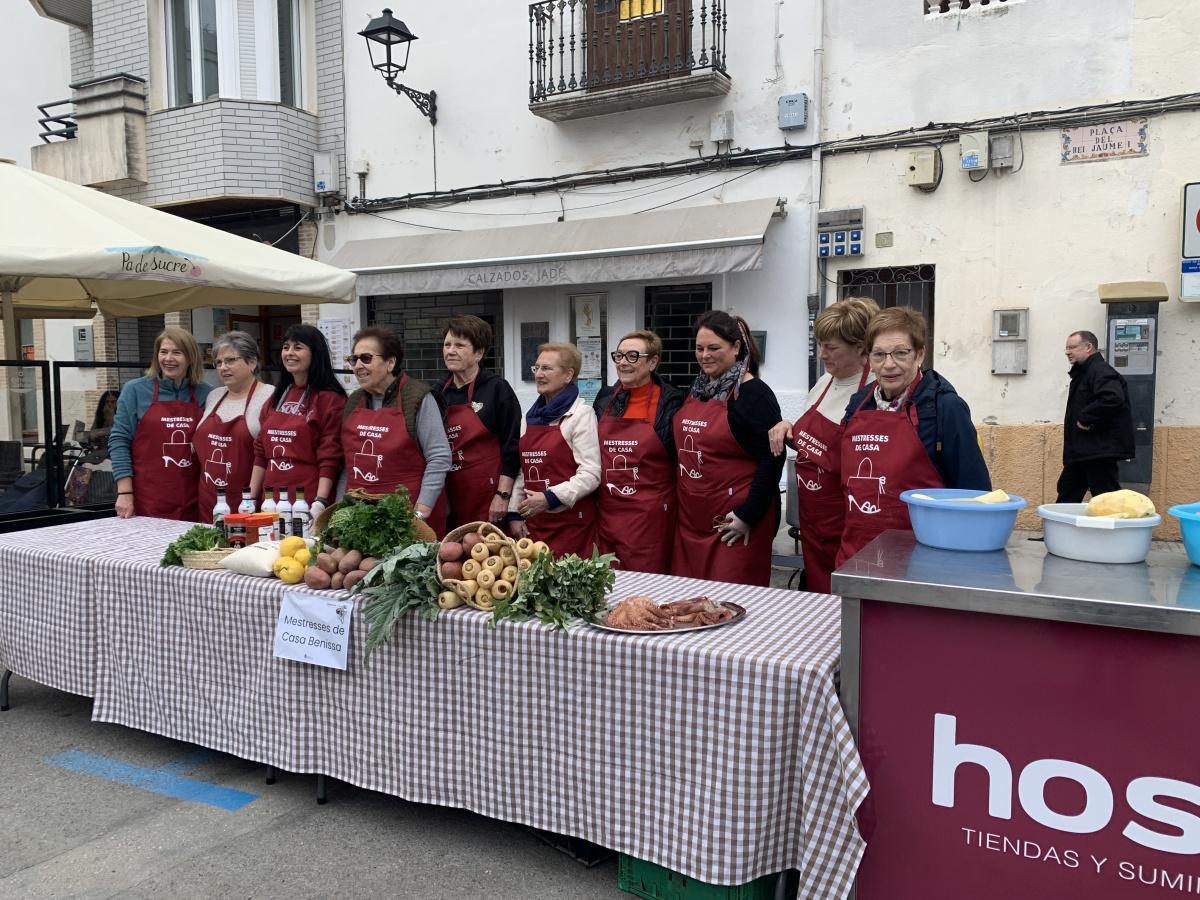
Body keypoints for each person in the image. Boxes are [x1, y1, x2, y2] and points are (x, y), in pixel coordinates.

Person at [836, 306, 990, 566]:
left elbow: (975, 496)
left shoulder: (945, 408)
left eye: (900, 353)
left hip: (922, 563)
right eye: (879, 354)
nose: (889, 364)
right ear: (869, 359)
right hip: (857, 557)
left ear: (920, 354)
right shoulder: (858, 404)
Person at [767, 297, 878, 593]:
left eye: (831, 347)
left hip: (846, 524)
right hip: (812, 523)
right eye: (820, 344)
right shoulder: (823, 384)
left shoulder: (874, 392)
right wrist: (787, 427)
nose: (821, 354)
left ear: (860, 347)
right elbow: (810, 438)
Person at [672, 311, 783, 587]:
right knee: (689, 605)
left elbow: (772, 460)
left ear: (736, 348)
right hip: (692, 521)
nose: (705, 355)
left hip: (734, 525)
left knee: (731, 606)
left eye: (714, 348)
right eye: (699, 348)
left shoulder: (755, 394)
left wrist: (748, 515)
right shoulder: (697, 389)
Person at [341, 326, 451, 534]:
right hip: (360, 517)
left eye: (366, 358)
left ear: (390, 362)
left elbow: (439, 457)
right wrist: (340, 509)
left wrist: (421, 511)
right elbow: (347, 465)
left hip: (407, 519)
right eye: (353, 359)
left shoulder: (417, 397)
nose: (357, 366)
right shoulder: (354, 401)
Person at [593, 330, 684, 574]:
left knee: (648, 588)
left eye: (632, 356)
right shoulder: (604, 399)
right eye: (619, 356)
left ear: (653, 362)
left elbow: (681, 459)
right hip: (608, 513)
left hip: (650, 518)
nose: (623, 362)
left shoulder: (672, 403)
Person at [109, 326, 211, 520]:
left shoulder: (206, 393)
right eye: (163, 352)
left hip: (194, 496)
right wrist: (124, 492)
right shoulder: (135, 390)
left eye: (177, 353)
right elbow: (119, 441)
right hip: (146, 497)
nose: (168, 359)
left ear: (190, 358)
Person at [509, 342, 600, 557]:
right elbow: (524, 470)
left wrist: (550, 498)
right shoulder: (529, 418)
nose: (539, 374)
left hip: (571, 527)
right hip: (534, 526)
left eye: (547, 369)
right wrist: (514, 513)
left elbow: (591, 473)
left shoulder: (581, 415)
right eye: (536, 368)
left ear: (568, 375)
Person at [431, 315, 522, 529]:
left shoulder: (497, 389)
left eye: (460, 345)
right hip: (450, 496)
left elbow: (512, 447)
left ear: (479, 353)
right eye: (447, 344)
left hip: (488, 496)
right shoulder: (437, 392)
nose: (450, 351)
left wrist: (503, 495)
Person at [251, 324, 347, 522]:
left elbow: (330, 456)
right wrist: (250, 499)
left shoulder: (330, 399)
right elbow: (261, 452)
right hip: (270, 501)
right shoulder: (276, 398)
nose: (289, 353)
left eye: (298, 347)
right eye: (286, 347)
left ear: (315, 353)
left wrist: (320, 502)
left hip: (308, 500)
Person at [193, 331, 270, 522]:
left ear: (252, 362)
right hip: (208, 502)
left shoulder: (270, 397)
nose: (223, 367)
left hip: (247, 504)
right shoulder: (214, 396)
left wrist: (251, 499)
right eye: (218, 363)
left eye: (230, 360)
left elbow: (268, 456)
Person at [1057, 330, 1135, 502]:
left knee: (1106, 497)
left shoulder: (1099, 370)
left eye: (1073, 347)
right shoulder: (1084, 372)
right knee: (1067, 491)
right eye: (1066, 348)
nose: (1067, 352)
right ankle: (1062, 528)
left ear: (1088, 347)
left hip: (1098, 451)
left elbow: (1113, 398)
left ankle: (1116, 528)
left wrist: (1086, 418)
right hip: (1083, 451)